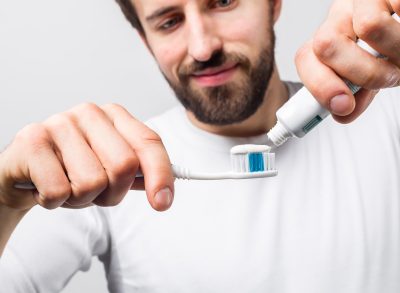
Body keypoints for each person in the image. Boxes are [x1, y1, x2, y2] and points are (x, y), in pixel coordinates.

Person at [1, 0, 400, 292]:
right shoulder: (107, 170)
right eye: (169, 22)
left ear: (273, 5)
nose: (202, 47)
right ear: (146, 41)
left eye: (223, 2)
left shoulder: (387, 111)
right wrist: (3, 200)